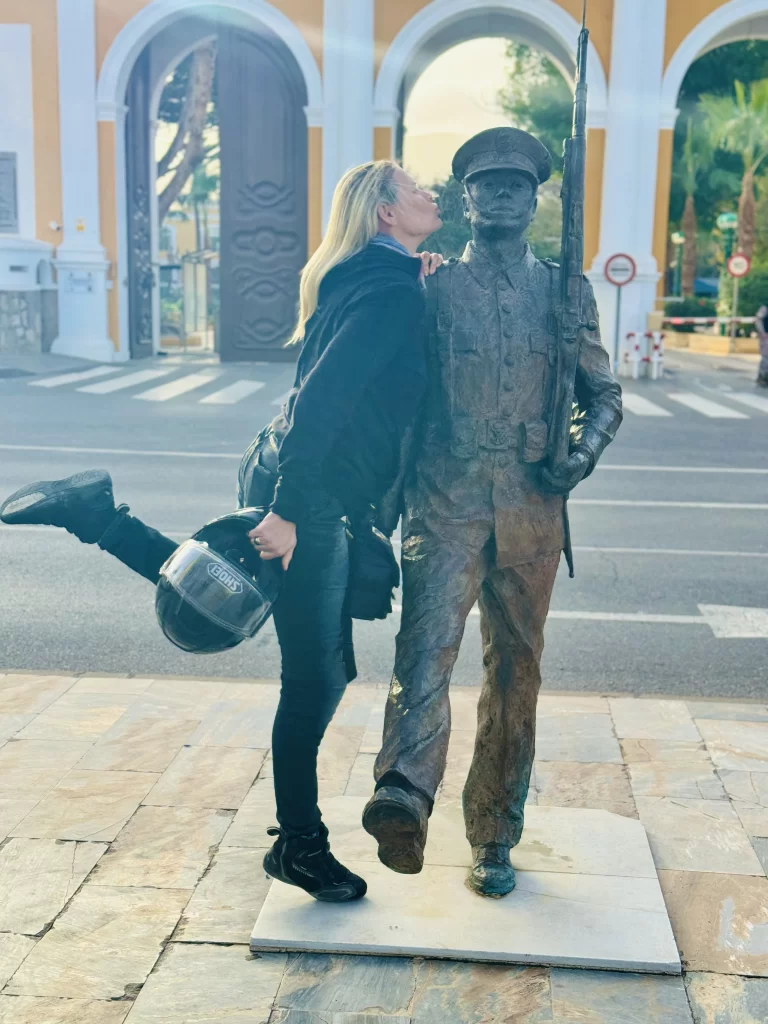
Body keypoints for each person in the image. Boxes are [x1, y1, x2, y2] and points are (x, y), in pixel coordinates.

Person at [0, 160, 443, 903]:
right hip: (312, 493)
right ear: (384, 213)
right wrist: (292, 512)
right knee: (313, 678)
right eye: (414, 185)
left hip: (305, 487)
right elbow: (323, 403)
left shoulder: (370, 278)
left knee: (237, 599)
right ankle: (300, 846)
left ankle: (97, 516)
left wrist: (418, 287)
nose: (431, 190)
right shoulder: (387, 289)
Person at [362, 128, 622, 897]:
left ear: (537, 198)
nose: (503, 194)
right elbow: (398, 397)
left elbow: (602, 395)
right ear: (465, 199)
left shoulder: (566, 290)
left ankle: (494, 832)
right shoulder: (429, 285)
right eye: (488, 183)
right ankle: (404, 794)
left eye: (518, 183)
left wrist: (582, 453)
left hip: (533, 508)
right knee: (424, 651)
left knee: (516, 673)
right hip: (443, 498)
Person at [755, 304, 768, 388]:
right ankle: (762, 377)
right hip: (766, 336)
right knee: (766, 358)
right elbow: (758, 320)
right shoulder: (765, 307)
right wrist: (762, 333)